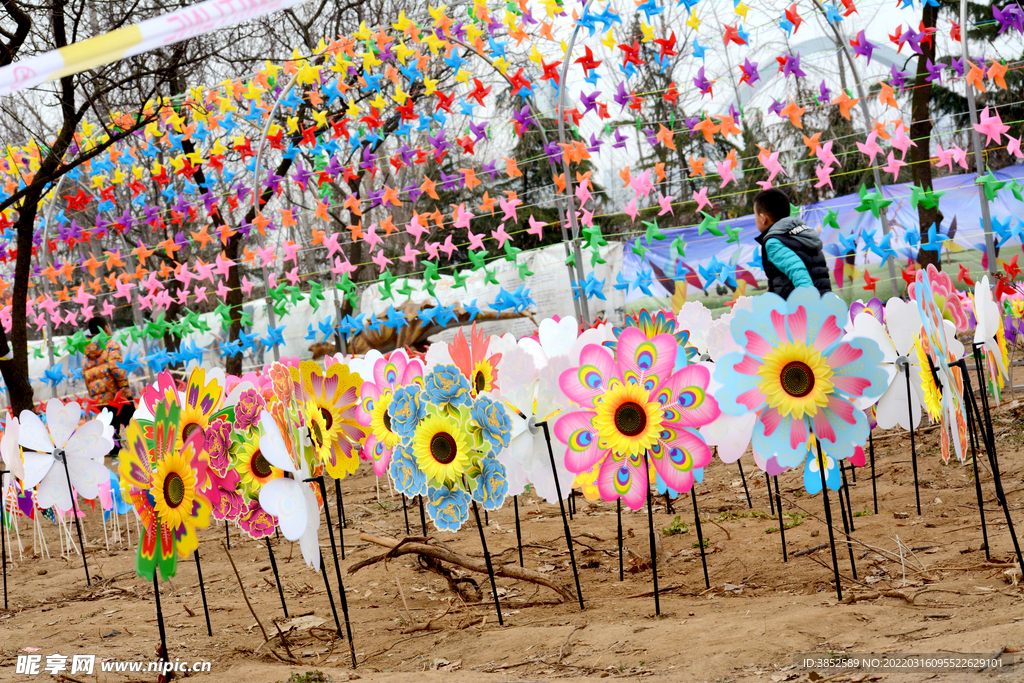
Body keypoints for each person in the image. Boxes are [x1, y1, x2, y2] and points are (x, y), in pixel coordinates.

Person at [753, 188, 833, 298]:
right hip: (824, 300)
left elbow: (797, 270)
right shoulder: (802, 233)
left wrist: (811, 298)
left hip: (800, 308)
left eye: (755, 215)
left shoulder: (773, 243)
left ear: (763, 218)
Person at [83, 316, 134, 454]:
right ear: (106, 328)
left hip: (101, 400)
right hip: (118, 397)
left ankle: (117, 461)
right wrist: (125, 389)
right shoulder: (110, 345)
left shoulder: (86, 351)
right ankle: (143, 454)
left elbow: (87, 377)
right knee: (135, 428)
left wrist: (95, 396)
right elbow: (117, 369)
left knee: (112, 433)